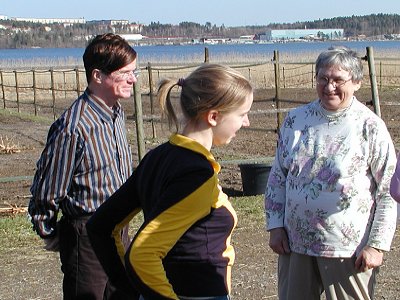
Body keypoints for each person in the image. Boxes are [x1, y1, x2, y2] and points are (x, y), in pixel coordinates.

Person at [86, 63, 254, 300]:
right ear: (214, 116)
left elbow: (100, 225)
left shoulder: (157, 157)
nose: (246, 123)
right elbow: (142, 253)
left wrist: (128, 288)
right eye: (242, 114)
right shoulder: (197, 175)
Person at [265, 46, 398, 300]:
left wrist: (377, 245)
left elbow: (388, 191)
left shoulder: (370, 126)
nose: (329, 87)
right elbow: (277, 178)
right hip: (296, 243)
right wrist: (275, 226)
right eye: (323, 79)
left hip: (348, 249)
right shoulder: (296, 120)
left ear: (357, 82)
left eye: (338, 80)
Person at [28, 33, 138, 299]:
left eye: (133, 72)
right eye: (125, 73)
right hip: (87, 236)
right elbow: (48, 189)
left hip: (119, 229)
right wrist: (51, 232)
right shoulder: (73, 127)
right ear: (98, 76)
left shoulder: (115, 113)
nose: (133, 79)